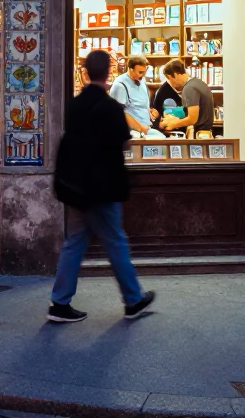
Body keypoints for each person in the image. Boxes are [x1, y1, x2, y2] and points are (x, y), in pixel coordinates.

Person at [48, 50, 156, 324]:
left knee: (74, 242)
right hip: (103, 187)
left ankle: (59, 303)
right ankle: (133, 300)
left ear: (85, 72)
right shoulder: (110, 108)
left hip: (76, 186)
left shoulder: (75, 105)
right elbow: (123, 141)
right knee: (116, 242)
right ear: (109, 73)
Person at [159, 59, 216, 138]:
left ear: (174, 75)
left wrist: (173, 124)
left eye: (170, 80)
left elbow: (192, 119)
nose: (171, 84)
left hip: (199, 135)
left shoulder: (189, 88)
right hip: (204, 134)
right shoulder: (198, 83)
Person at [110, 55, 152, 136]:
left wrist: (149, 112)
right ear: (130, 69)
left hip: (145, 130)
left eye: (144, 72)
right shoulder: (120, 85)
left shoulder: (141, 80)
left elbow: (139, 105)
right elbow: (119, 113)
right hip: (130, 133)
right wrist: (140, 128)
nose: (143, 75)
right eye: (140, 72)